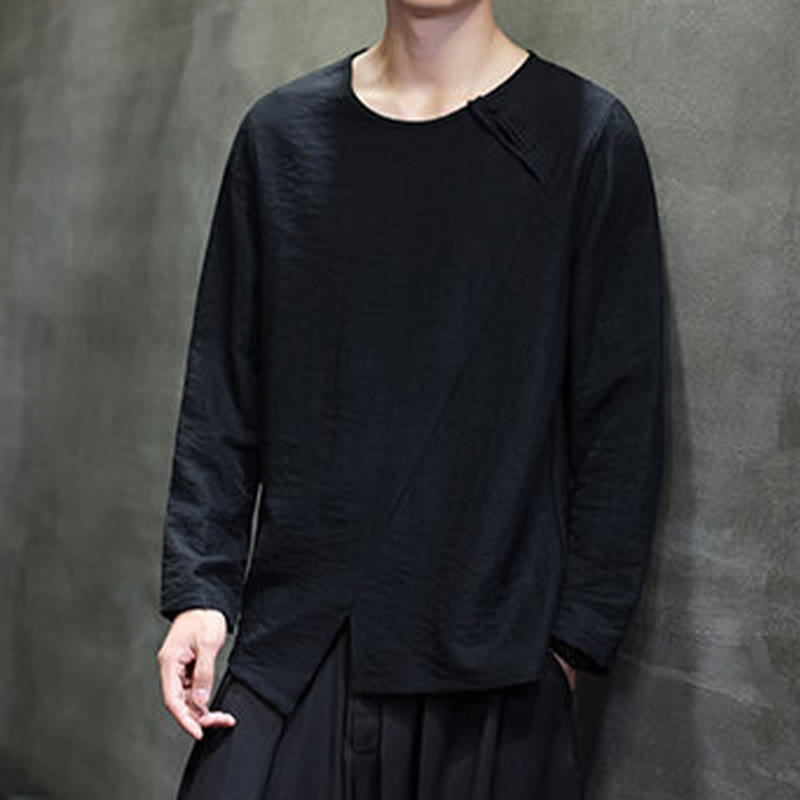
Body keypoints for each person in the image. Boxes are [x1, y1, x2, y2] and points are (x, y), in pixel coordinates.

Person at [156, 1, 665, 798]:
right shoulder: (280, 137)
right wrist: (201, 592)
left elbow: (621, 419)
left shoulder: (584, 136)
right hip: (301, 646)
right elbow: (224, 390)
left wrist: (569, 646)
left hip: (494, 666)